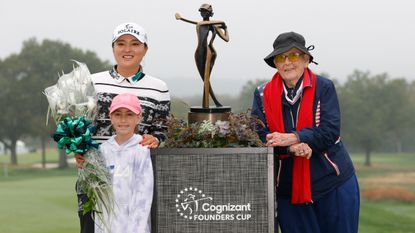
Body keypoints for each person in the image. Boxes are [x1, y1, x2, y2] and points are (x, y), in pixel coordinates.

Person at [252, 31, 359, 233]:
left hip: (332, 182)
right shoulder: (261, 94)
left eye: (293, 56)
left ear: (306, 60)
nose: (287, 63)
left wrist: (295, 137)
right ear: (275, 63)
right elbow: (258, 136)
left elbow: (329, 131)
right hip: (287, 188)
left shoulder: (324, 87)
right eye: (280, 57)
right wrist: (291, 147)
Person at [76, 22, 170, 233]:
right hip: (95, 177)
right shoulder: (92, 82)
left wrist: (156, 139)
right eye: (121, 43)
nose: (127, 49)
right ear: (113, 47)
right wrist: (79, 150)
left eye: (135, 44)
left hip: (135, 180)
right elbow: (80, 127)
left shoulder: (159, 88)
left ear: (145, 49)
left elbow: (162, 130)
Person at [95, 93, 153, 233]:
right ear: (110, 117)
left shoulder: (142, 150)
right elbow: (100, 198)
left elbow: (143, 197)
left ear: (138, 118)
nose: (123, 120)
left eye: (129, 114)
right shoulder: (102, 150)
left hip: (134, 227)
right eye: (118, 114)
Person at [175, 3, 229, 107]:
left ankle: (211, 103)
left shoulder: (214, 26)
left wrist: (225, 28)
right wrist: (181, 18)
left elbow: (226, 39)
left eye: (205, 11)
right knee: (205, 79)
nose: (203, 13)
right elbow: (193, 22)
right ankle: (210, 103)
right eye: (202, 11)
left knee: (206, 78)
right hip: (199, 52)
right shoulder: (200, 24)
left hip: (209, 52)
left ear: (210, 13)